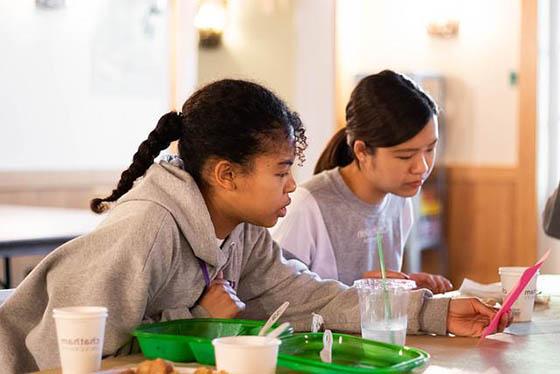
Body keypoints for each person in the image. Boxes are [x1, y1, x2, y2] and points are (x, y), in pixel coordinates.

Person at [0, 79, 510, 373]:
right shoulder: (147, 230)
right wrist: (193, 315)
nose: (293, 187)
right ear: (226, 175)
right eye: (282, 171)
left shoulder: (242, 231)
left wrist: (435, 313)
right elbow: (65, 354)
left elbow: (312, 297)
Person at [272, 70, 452, 293]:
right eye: (405, 156)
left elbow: (379, 301)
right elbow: (277, 298)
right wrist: (361, 291)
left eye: (430, 149)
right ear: (362, 151)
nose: (422, 167)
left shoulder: (400, 201)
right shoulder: (307, 206)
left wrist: (405, 288)